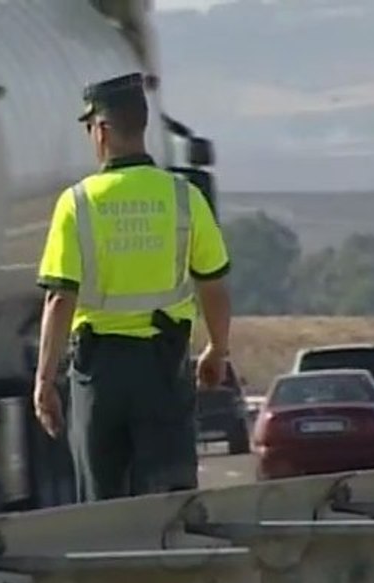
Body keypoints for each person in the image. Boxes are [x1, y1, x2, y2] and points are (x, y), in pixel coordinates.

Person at [33, 72, 232, 501]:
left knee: (104, 507)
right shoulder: (184, 197)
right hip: (164, 367)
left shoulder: (77, 204)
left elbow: (59, 298)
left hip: (99, 374)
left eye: (90, 128)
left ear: (102, 131)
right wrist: (217, 348)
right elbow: (212, 285)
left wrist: (44, 380)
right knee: (170, 502)